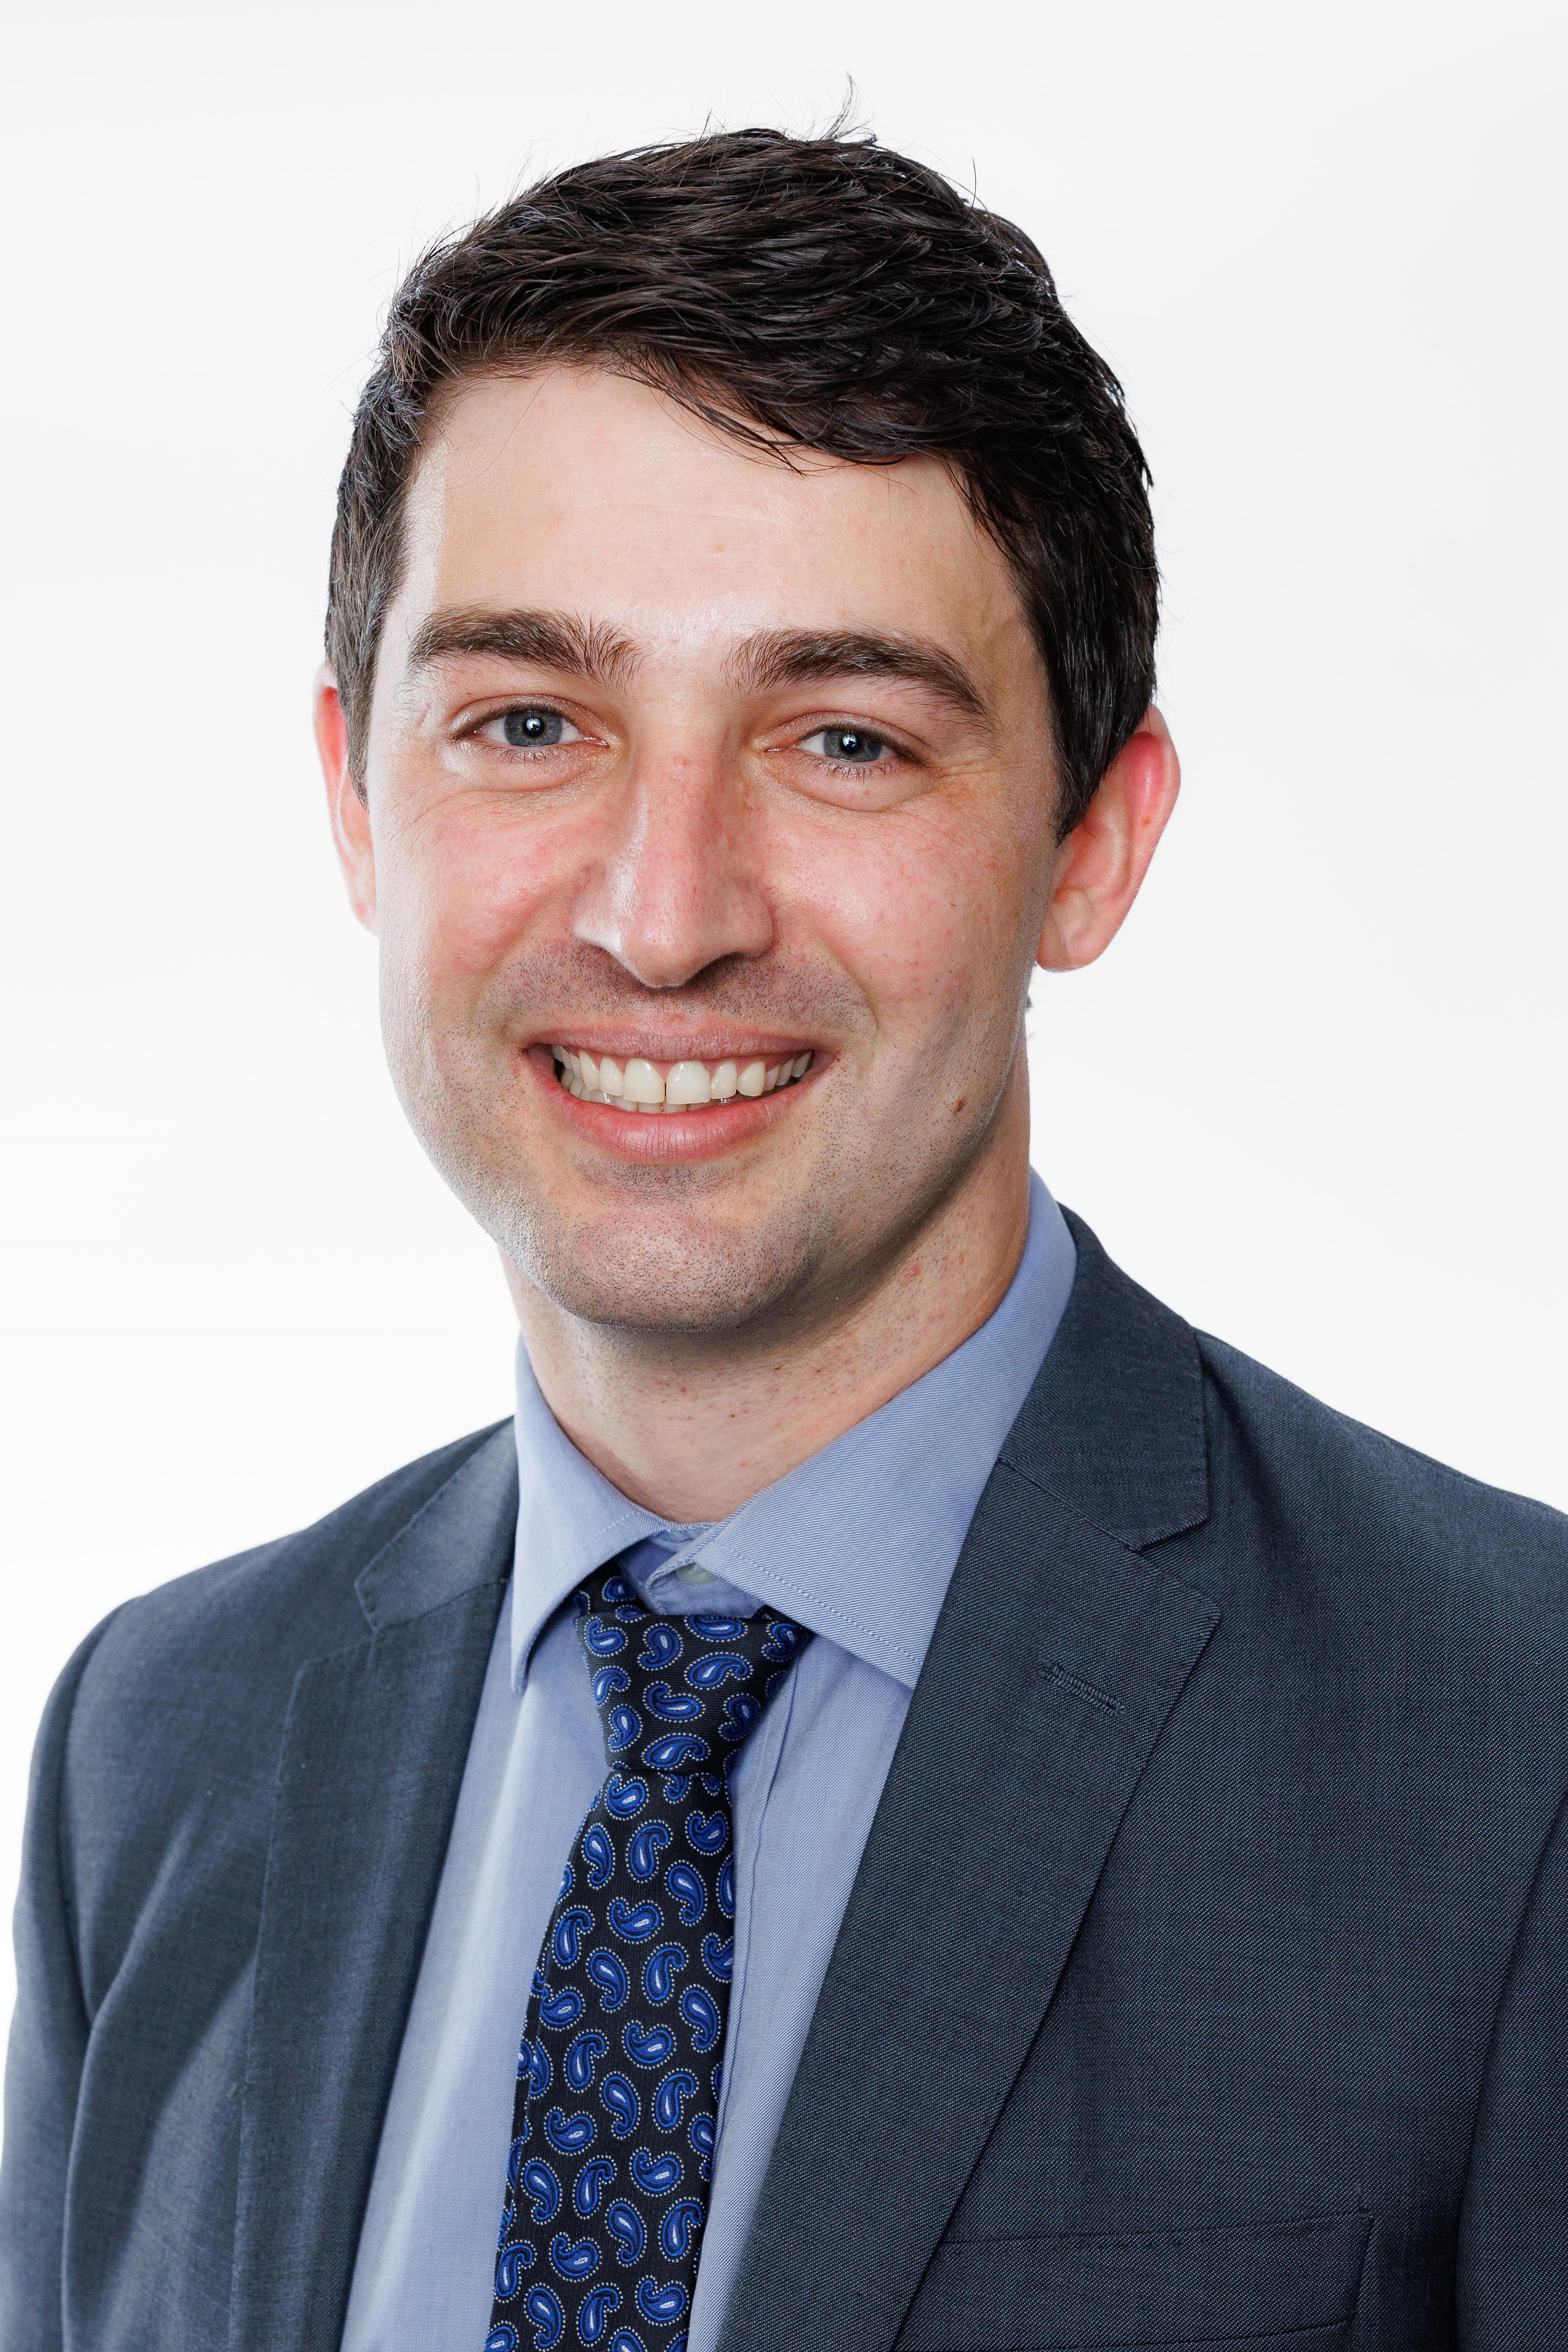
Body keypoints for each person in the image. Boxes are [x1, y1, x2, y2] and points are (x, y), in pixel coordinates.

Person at [2, 125, 1565, 2352]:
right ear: (357, 798)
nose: (664, 914)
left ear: (1089, 844)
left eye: (840, 737)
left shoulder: (1512, 1751)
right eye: (526, 721)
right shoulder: (155, 1748)